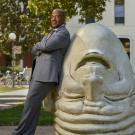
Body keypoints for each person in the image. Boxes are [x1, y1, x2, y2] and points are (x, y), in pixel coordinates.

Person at [11, 8, 70, 135]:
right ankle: (27, 133)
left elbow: (46, 46)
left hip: (46, 76)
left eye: (57, 16)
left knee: (29, 105)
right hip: (39, 74)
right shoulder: (51, 33)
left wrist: (40, 45)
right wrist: (41, 46)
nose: (53, 18)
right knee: (34, 107)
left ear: (63, 19)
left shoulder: (63, 33)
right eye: (52, 16)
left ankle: (18, 133)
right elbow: (34, 50)